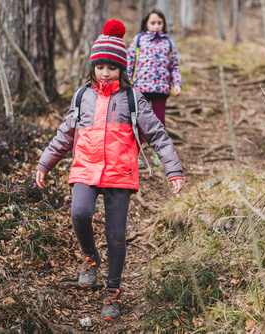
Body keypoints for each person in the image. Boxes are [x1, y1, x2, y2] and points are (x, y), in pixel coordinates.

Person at [35, 19, 184, 322]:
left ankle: (112, 292)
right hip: (85, 168)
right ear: (92, 68)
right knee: (79, 214)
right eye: (100, 66)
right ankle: (90, 257)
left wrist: (174, 171)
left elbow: (157, 134)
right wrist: (44, 163)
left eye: (112, 67)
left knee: (116, 235)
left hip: (119, 172)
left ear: (122, 70)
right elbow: (65, 134)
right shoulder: (82, 97)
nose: (105, 72)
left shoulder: (132, 98)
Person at [127, 7, 182, 167]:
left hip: (161, 89)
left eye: (159, 22)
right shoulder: (138, 40)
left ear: (164, 24)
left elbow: (174, 66)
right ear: (146, 24)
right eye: (153, 23)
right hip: (140, 89)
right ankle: (135, 155)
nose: (156, 25)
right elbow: (130, 63)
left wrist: (177, 84)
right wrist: (126, 83)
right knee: (138, 122)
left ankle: (160, 155)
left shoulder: (168, 43)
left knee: (159, 123)